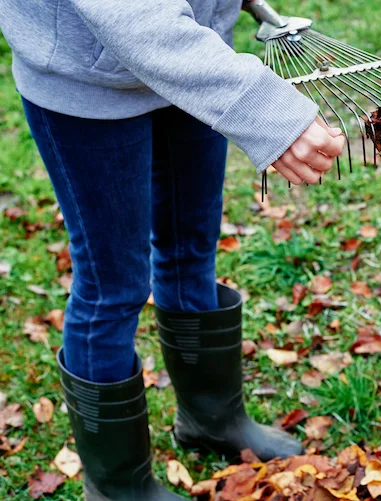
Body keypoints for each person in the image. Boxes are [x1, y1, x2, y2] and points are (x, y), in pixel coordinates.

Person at [0, 0, 346, 499]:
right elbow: (135, 16)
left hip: (193, 60)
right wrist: (267, 110)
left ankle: (212, 419)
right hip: (86, 85)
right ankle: (119, 487)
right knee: (112, 287)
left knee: (191, 250)